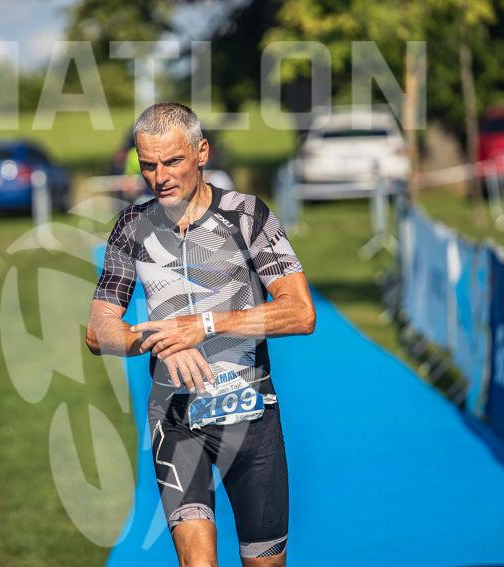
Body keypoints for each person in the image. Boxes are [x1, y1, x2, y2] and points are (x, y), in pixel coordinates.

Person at [86, 103, 316, 567]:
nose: (160, 177)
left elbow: (300, 313)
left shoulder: (246, 216)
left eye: (172, 161)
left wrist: (204, 325)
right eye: (148, 165)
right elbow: (99, 330)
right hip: (175, 419)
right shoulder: (132, 227)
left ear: (201, 152)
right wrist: (157, 340)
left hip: (250, 415)